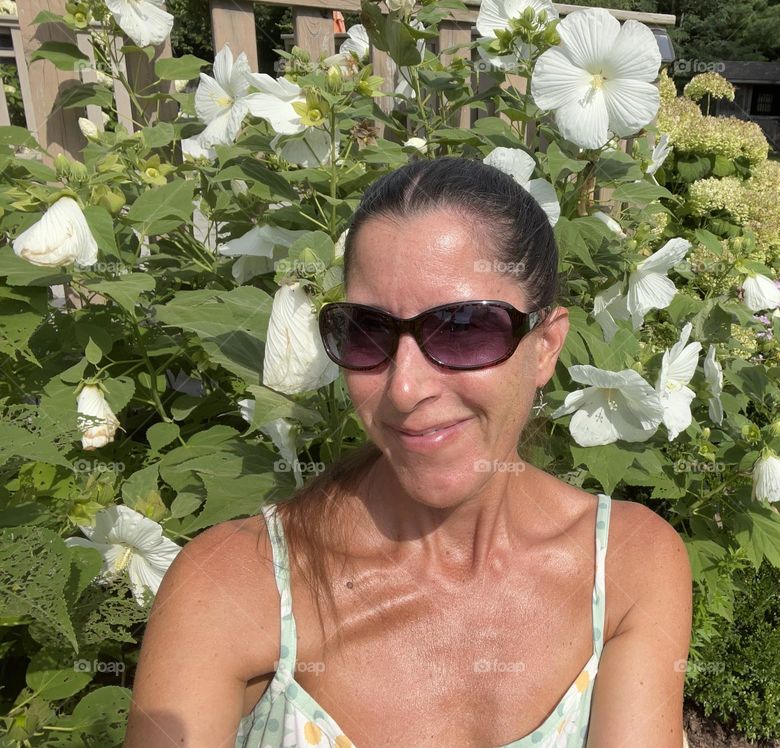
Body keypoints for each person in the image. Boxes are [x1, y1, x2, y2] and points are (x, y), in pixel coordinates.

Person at [124, 156, 692, 747]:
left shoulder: (631, 564)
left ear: (546, 347)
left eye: (464, 327)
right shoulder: (230, 587)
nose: (403, 388)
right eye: (367, 330)